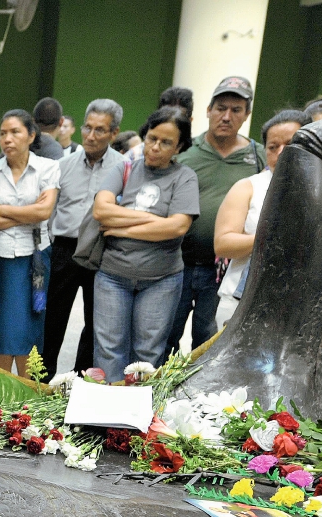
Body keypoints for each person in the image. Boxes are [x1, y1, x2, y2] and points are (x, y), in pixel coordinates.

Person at [91, 107, 199, 380]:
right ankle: (108, 419)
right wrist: (153, 222)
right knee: (108, 351)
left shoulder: (184, 177)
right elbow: (101, 211)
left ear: (180, 147)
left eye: (166, 143)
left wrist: (120, 226)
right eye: (152, 138)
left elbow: (177, 227)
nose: (155, 147)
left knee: (148, 353)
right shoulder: (124, 167)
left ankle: (136, 419)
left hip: (161, 279)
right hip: (113, 276)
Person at [166, 76, 266, 357]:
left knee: (210, 343)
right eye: (221, 107)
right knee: (166, 337)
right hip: (177, 264)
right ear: (208, 110)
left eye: (236, 110)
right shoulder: (185, 151)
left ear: (246, 115)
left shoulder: (258, 156)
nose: (226, 116)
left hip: (224, 271)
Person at [43, 99, 126, 376]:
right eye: (87, 128)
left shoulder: (124, 168)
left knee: (96, 320)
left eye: (99, 130)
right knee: (52, 318)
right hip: (64, 249)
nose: (91, 136)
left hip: (103, 249)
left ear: (114, 133)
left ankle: (82, 379)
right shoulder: (63, 165)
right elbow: (50, 211)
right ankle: (43, 379)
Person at [0, 109, 60, 378]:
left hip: (34, 259)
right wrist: (26, 213)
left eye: (15, 132)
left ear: (31, 135)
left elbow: (43, 212)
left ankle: (26, 391)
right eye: (3, 133)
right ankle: (2, 389)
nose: (7, 139)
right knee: (1, 325)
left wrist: (2, 208)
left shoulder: (47, 168)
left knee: (29, 326)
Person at [212, 109, 310, 326]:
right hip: (242, 300)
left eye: (291, 143)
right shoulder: (249, 187)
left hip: (298, 305)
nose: (281, 152)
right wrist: (274, 235)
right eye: (273, 147)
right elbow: (223, 243)